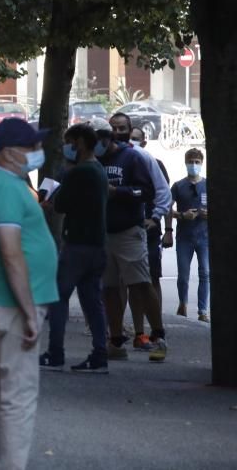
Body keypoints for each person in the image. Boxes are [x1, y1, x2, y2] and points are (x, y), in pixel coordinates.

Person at [0, 118, 58, 470]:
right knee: (18, 397)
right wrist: (27, 312)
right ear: (9, 153)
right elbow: (11, 253)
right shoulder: (7, 188)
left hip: (6, 302)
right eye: (32, 147)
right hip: (16, 305)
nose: (38, 152)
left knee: (4, 392)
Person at [92, 118, 166, 361]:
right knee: (110, 288)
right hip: (103, 232)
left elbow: (147, 192)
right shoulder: (94, 160)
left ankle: (158, 336)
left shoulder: (132, 158)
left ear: (107, 138)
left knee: (141, 284)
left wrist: (119, 192)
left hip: (128, 231)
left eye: (98, 142)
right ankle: (115, 340)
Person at [38, 124, 109, 373]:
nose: (67, 148)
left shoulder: (78, 172)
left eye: (70, 143)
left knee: (58, 298)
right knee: (92, 301)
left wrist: (56, 194)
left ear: (79, 142)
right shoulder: (98, 169)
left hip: (77, 244)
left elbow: (62, 205)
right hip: (97, 244)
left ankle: (55, 351)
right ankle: (100, 353)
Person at [110, 112, 171, 347]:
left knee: (143, 282)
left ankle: (153, 332)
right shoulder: (104, 158)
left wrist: (156, 219)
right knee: (115, 286)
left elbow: (162, 192)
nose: (118, 133)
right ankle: (125, 334)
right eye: (113, 128)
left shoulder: (142, 157)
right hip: (110, 231)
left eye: (122, 128)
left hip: (137, 229)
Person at [171, 148, 210, 322]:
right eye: (191, 161)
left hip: (205, 236)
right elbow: (166, 208)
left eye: (197, 162)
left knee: (205, 273)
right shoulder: (179, 186)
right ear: (186, 162)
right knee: (183, 275)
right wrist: (181, 215)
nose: (193, 165)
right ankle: (183, 303)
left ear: (201, 163)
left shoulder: (208, 184)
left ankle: (203, 310)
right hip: (184, 237)